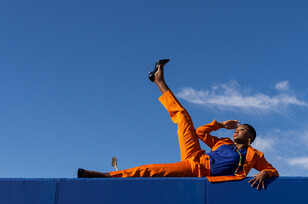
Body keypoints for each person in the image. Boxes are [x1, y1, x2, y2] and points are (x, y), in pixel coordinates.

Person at [78, 59, 279, 190]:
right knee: (183, 116)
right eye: (236, 128)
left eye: (241, 130)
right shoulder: (224, 142)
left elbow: (273, 170)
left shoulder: (255, 155)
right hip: (195, 156)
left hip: (195, 171)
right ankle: (158, 80)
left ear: (249, 137)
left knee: (151, 171)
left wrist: (263, 172)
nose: (236, 131)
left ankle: (106, 176)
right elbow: (199, 132)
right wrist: (219, 124)